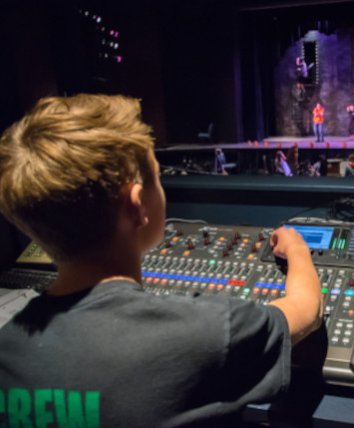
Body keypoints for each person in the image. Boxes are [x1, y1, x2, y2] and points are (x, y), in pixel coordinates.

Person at [0, 94, 322, 426]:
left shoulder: (7, 351)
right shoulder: (207, 332)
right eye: (157, 176)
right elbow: (306, 308)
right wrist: (296, 247)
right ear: (137, 205)